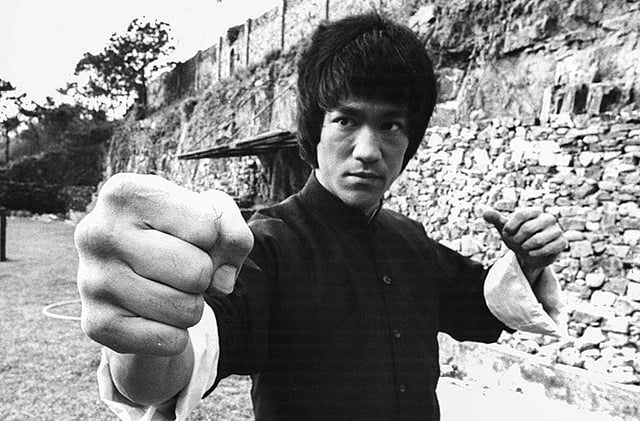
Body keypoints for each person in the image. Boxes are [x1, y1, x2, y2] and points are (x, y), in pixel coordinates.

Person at [75, 13, 567, 421]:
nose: (368, 150)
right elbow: (177, 363)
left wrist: (526, 260)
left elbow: (482, 301)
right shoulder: (267, 246)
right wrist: (141, 324)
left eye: (391, 124)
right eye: (346, 119)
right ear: (314, 130)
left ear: (409, 142)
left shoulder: (411, 240)